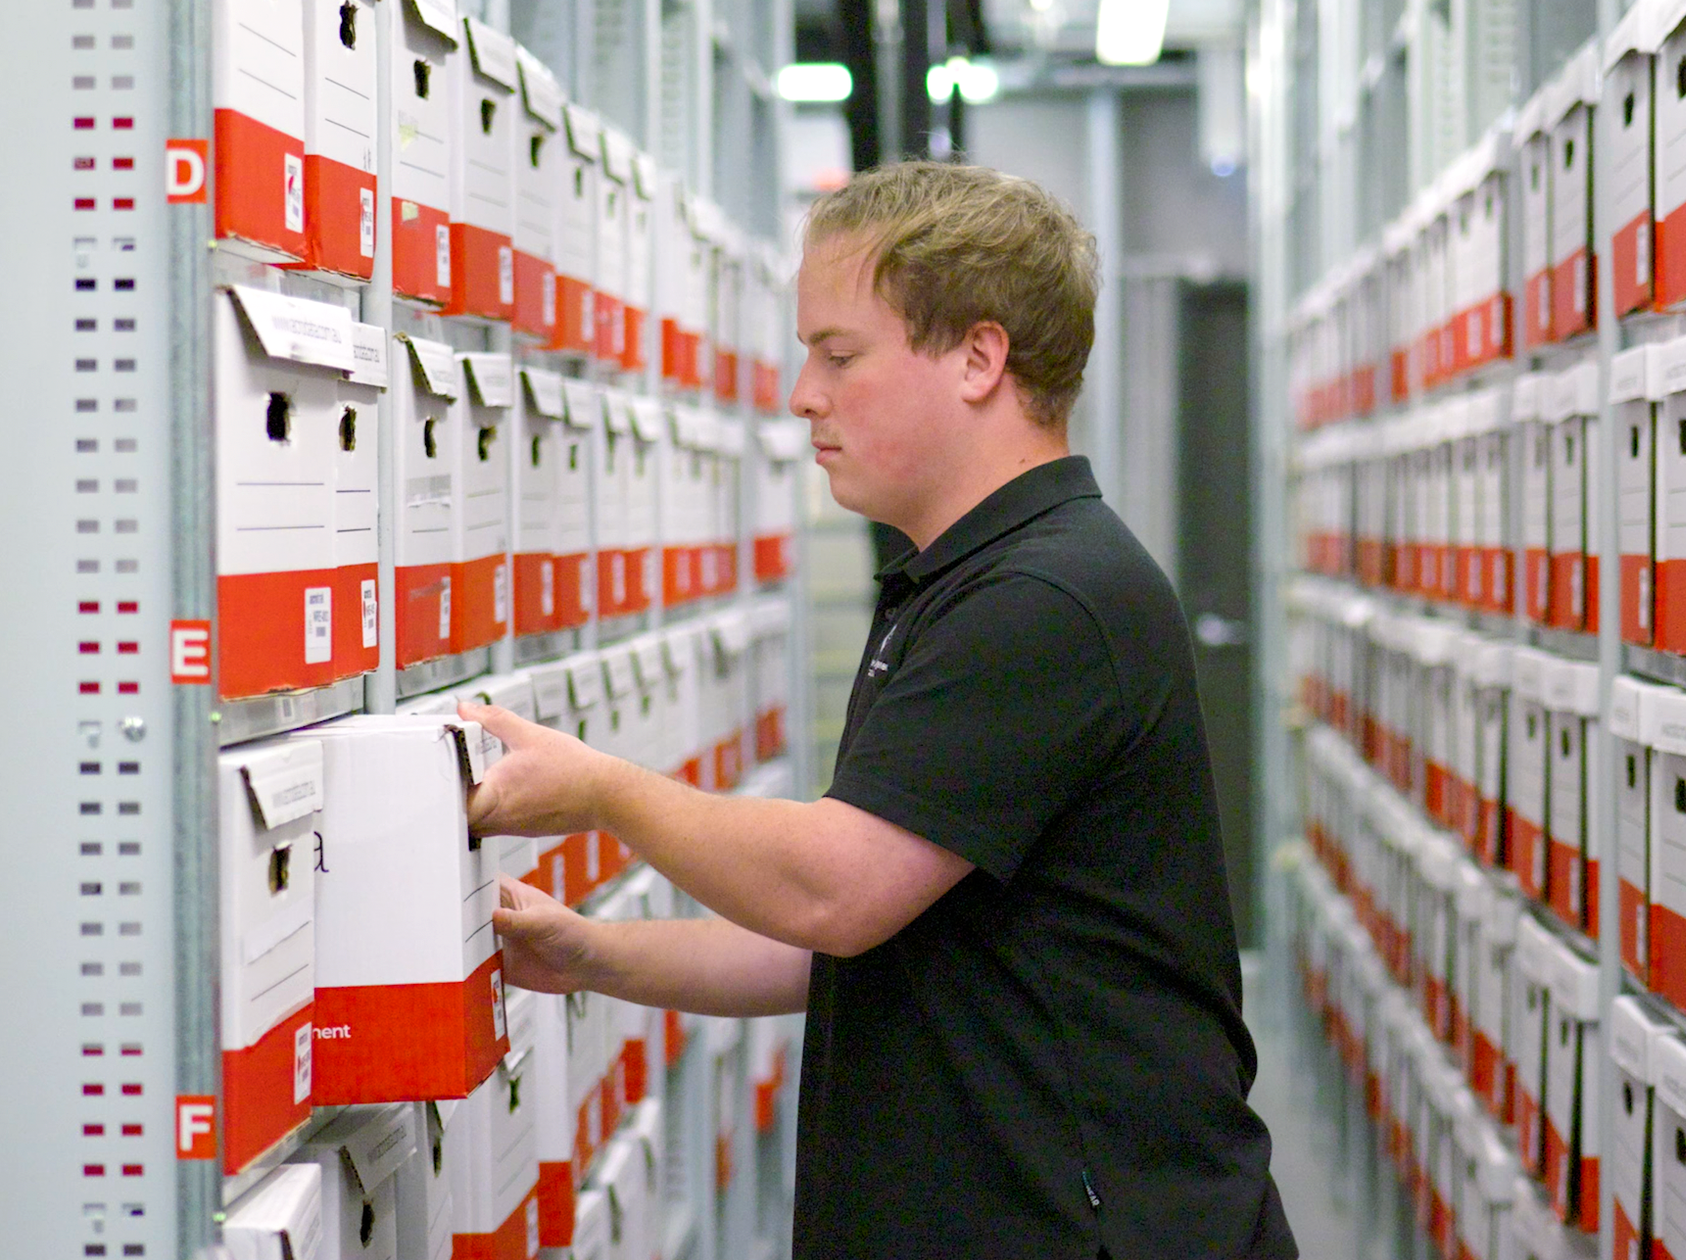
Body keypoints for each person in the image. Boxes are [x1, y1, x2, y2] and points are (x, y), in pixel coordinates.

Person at [459, 160, 1296, 1259]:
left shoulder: (1045, 599)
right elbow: (878, 944)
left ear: (978, 359)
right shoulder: (958, 584)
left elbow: (835, 888)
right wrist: (593, 956)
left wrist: (603, 789)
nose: (804, 392)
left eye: (839, 354)